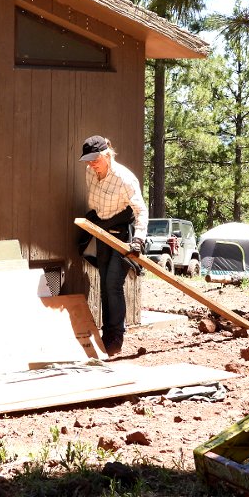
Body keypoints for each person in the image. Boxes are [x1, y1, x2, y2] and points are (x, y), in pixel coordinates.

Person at [77, 135, 148, 356]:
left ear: (107, 154)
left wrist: (138, 240)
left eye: (94, 159)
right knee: (104, 285)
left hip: (121, 235)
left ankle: (115, 339)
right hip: (102, 232)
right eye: (88, 160)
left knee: (113, 285)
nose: (91, 164)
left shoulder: (125, 178)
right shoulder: (90, 172)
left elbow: (141, 211)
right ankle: (106, 336)